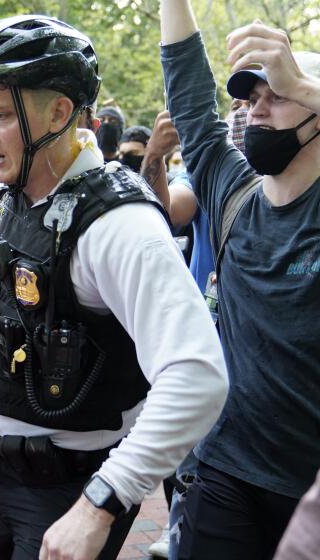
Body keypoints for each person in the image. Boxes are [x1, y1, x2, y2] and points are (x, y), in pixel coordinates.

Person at [0, 15, 228, 559]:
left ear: (58, 113)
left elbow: (198, 376)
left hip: (67, 491)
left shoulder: (120, 226)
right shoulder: (4, 197)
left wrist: (99, 504)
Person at [160, 2, 320, 558]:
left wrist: (302, 79)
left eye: (277, 96)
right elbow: (190, 101)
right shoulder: (233, 194)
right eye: (252, 99)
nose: (257, 111)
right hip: (224, 474)